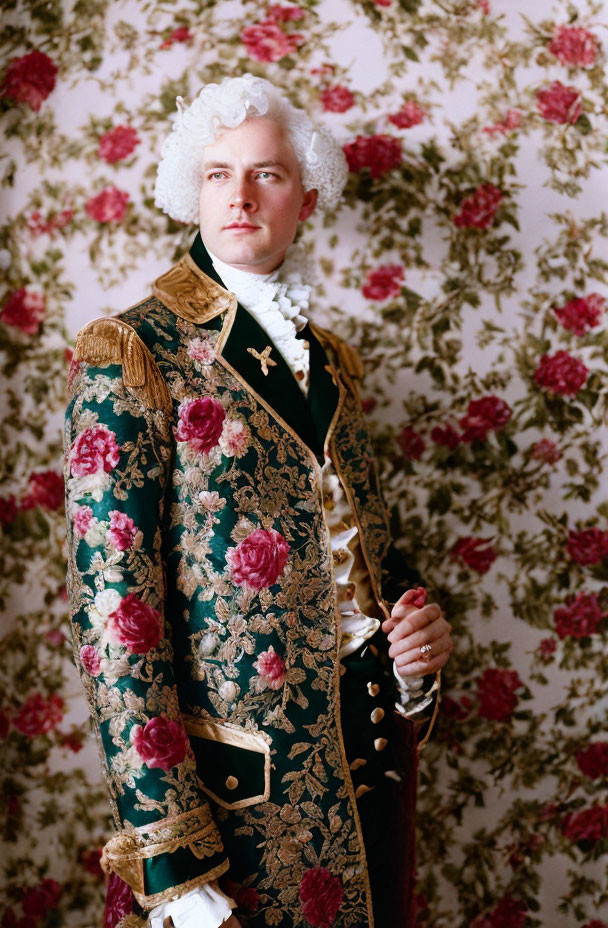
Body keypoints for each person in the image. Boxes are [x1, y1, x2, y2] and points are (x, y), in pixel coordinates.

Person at [64, 74, 453, 928]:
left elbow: (375, 562)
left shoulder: (338, 364)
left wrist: (417, 653)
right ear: (189, 191)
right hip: (234, 813)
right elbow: (112, 617)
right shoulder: (133, 350)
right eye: (217, 174)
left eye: (267, 174)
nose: (239, 195)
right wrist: (173, 861)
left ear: (306, 197)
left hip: (370, 781)